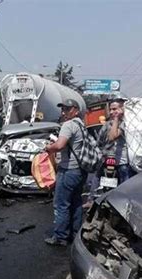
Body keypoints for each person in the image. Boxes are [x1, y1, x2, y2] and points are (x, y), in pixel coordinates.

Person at [44, 99, 87, 247]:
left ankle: (61, 237)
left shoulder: (68, 125)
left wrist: (50, 147)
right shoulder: (81, 124)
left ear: (76, 110)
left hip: (68, 170)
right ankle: (75, 234)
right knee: (76, 204)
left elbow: (60, 145)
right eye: (63, 109)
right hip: (80, 171)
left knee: (61, 204)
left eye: (67, 109)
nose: (64, 112)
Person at [97, 99, 135, 184]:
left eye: (114, 109)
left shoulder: (127, 122)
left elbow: (112, 136)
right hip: (112, 159)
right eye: (110, 109)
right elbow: (100, 140)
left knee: (125, 189)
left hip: (124, 162)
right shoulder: (108, 124)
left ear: (122, 109)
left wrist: (116, 118)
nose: (111, 112)